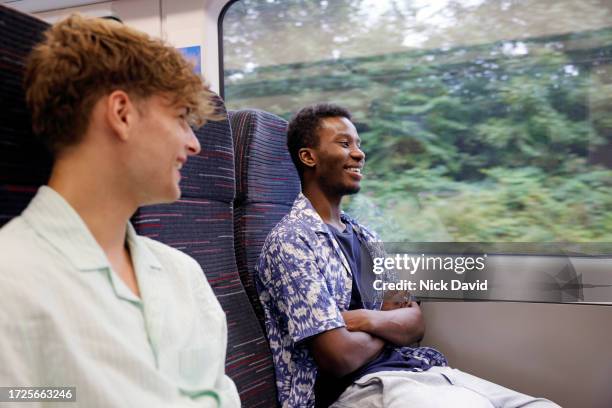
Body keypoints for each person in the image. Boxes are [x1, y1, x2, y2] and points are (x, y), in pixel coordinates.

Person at [0, 14, 240, 407]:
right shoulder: (11, 281)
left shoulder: (183, 275)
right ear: (122, 113)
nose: (194, 144)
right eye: (182, 118)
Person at [255, 103, 560, 408]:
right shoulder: (291, 242)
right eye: (345, 144)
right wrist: (389, 324)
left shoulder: (367, 237)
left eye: (358, 145)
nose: (359, 154)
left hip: (417, 367)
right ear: (309, 156)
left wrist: (363, 319)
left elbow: (415, 324)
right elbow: (339, 357)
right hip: (354, 388)